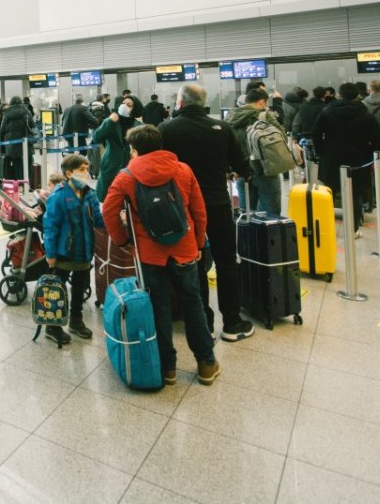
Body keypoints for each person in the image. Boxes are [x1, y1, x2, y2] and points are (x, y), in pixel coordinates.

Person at [103, 125, 219, 386]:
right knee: (193, 304)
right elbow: (199, 211)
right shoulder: (183, 169)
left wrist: (123, 241)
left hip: (149, 253)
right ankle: (206, 363)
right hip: (185, 249)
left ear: (134, 149)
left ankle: (168, 368)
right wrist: (199, 243)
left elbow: (109, 212)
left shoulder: (126, 177)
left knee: (159, 307)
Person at [161, 83, 254, 341]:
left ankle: (204, 324)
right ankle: (233, 323)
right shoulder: (221, 128)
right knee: (226, 261)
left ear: (180, 102)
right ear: (203, 103)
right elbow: (242, 165)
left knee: (194, 263)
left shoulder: (167, 129)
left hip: (183, 207)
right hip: (217, 203)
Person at [40, 154, 103, 345]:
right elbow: (50, 227)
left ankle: (76, 321)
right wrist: (50, 254)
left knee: (80, 288)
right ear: (69, 173)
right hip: (63, 253)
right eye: (82, 169)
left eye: (87, 169)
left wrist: (118, 218)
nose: (86, 173)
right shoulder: (58, 196)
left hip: (84, 250)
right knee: (56, 291)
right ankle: (52, 327)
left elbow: (99, 219)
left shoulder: (89, 193)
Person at [312, 83, 380, 224]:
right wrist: (368, 155)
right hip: (358, 160)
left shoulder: (327, 111)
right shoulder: (365, 114)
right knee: (355, 193)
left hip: (331, 157)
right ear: (357, 96)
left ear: (339, 94)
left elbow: (316, 134)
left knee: (329, 190)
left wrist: (321, 152)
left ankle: (327, 223)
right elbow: (377, 139)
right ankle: (354, 225)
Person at [226, 89, 285, 215]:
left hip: (241, 172)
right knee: (271, 213)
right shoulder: (265, 116)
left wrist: (231, 169)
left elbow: (225, 146)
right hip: (265, 170)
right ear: (262, 102)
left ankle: (249, 235)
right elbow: (282, 137)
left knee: (246, 213)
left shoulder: (230, 117)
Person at [92, 94, 139, 199]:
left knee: (127, 199)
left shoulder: (138, 125)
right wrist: (109, 122)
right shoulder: (112, 121)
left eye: (129, 105)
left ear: (134, 109)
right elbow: (96, 138)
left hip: (130, 166)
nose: (124, 106)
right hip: (110, 164)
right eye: (123, 103)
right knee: (108, 199)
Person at [0, 96, 32, 180]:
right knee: (26, 162)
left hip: (10, 143)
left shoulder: (6, 113)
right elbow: (32, 126)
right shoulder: (27, 112)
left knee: (14, 161)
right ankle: (25, 183)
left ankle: (13, 181)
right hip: (25, 141)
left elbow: (2, 130)